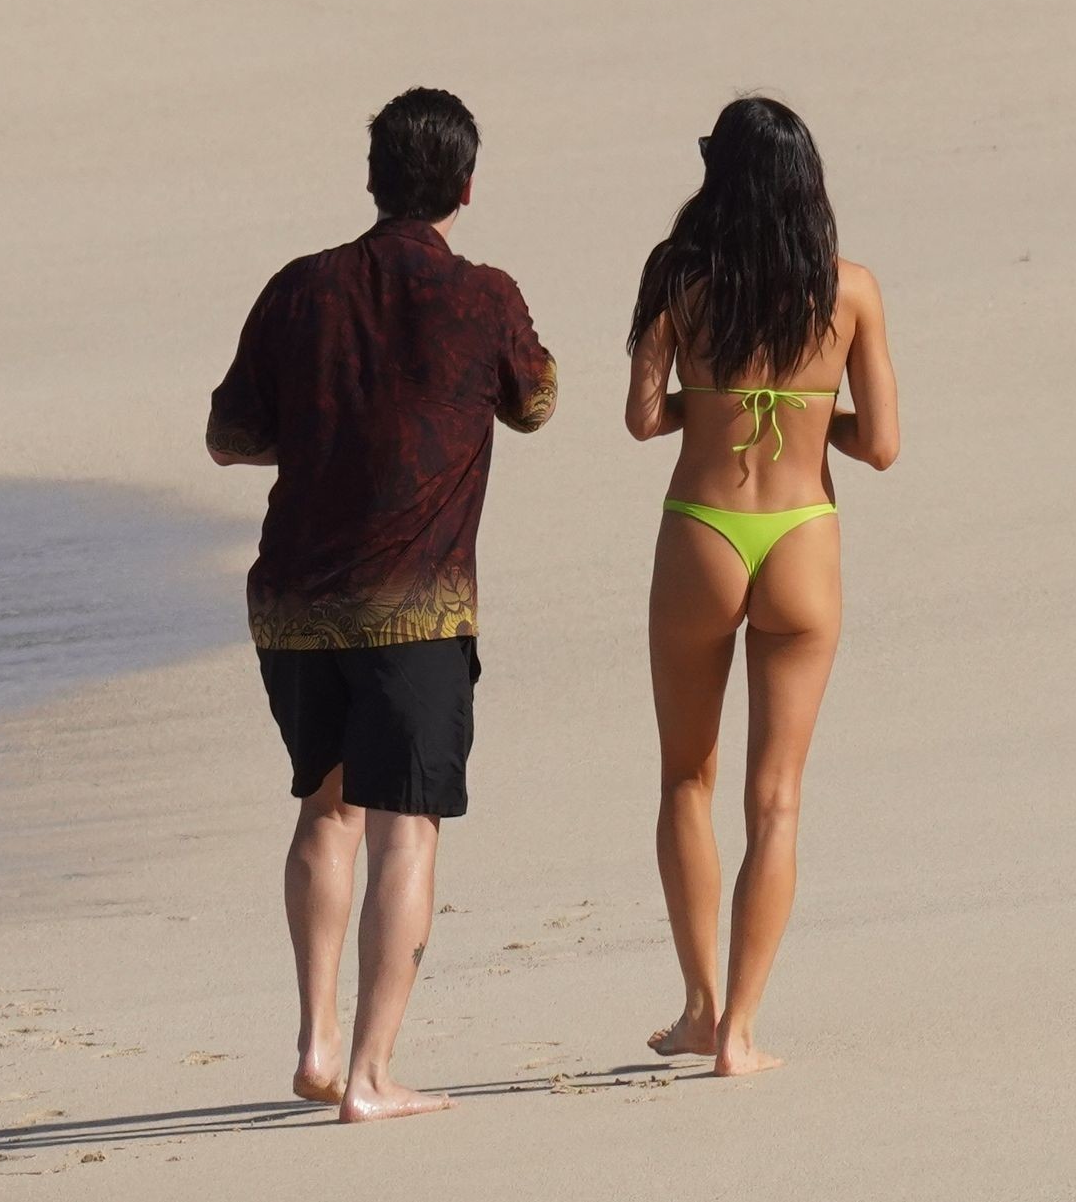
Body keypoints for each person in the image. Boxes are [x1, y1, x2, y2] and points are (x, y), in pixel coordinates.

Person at [207, 87, 556, 1121]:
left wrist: (328, 431)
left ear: (372, 179)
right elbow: (536, 402)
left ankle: (316, 1041)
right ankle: (369, 1073)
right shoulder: (482, 296)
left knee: (327, 806)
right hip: (419, 606)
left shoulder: (299, 288)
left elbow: (229, 437)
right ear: (466, 187)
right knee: (409, 826)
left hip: (296, 603)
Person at [624, 95, 899, 1076]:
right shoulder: (851, 290)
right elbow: (883, 445)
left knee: (684, 778)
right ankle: (741, 1030)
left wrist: (706, 399)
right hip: (802, 538)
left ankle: (699, 1006)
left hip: (704, 529)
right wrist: (815, 415)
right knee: (776, 798)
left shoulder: (680, 278)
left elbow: (641, 418)